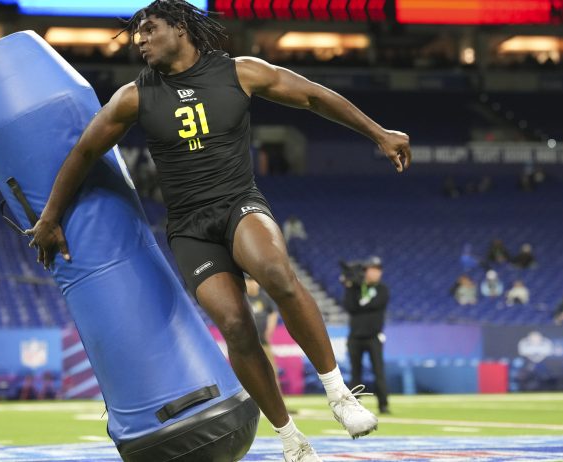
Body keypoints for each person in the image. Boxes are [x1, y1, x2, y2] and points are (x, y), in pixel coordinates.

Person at [25, 2, 411, 459]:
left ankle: (339, 396)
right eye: (137, 35)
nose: (140, 40)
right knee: (234, 325)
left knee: (274, 271)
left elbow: (312, 95)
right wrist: (49, 217)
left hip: (238, 204)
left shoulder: (240, 72)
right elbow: (84, 152)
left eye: (149, 29)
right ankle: (290, 439)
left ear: (182, 28)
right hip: (190, 228)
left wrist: (377, 132)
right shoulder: (135, 95)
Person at [341, 257, 390, 415]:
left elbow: (373, 305)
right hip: (355, 336)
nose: (376, 272)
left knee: (378, 372)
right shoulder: (354, 289)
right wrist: (351, 286)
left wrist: (358, 292)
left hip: (373, 336)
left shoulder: (382, 289)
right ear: (365, 271)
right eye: (372, 269)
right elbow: (349, 307)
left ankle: (383, 405)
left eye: (378, 269)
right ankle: (354, 406)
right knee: (356, 373)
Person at [246, 275, 280, 390]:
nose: (251, 284)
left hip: (263, 342)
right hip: (248, 345)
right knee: (250, 374)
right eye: (248, 281)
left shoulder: (264, 297)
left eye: (253, 281)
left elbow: (273, 312)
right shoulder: (242, 298)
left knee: (271, 372)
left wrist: (270, 330)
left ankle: (279, 401)